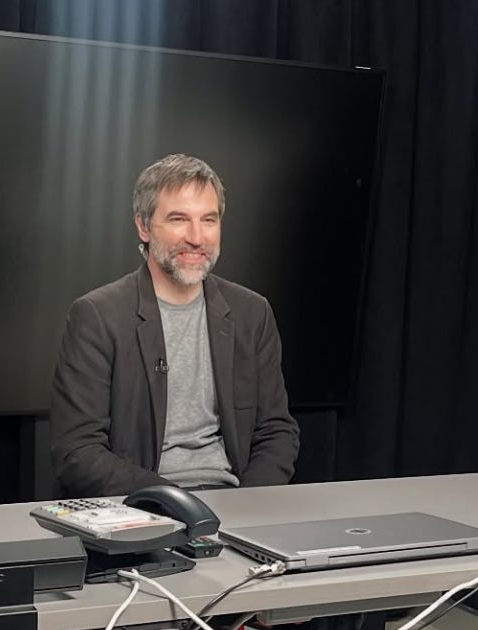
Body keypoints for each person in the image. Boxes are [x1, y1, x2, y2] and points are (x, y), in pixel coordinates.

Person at [50, 154, 300, 498]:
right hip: (142, 504)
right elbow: (77, 450)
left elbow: (277, 432)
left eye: (209, 220)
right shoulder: (97, 316)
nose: (197, 237)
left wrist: (247, 505)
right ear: (143, 226)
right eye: (179, 219)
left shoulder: (252, 313)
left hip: (236, 501)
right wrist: (175, 503)